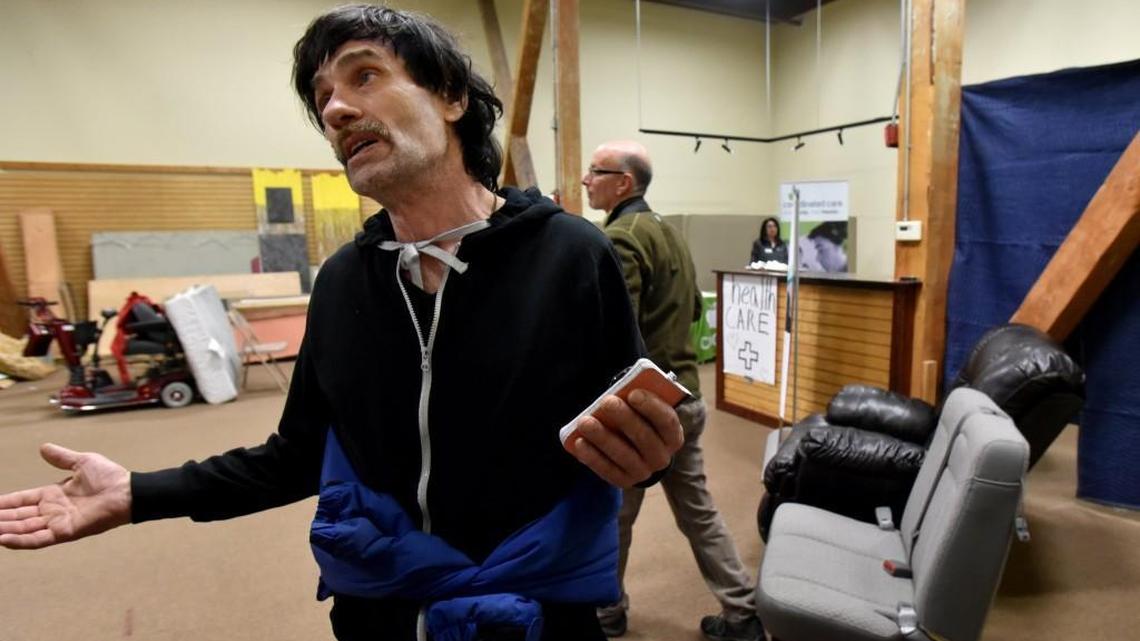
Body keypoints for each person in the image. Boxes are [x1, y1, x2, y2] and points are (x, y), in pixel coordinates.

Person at [0, 7, 685, 641]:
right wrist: (137, 493)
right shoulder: (340, 282)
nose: (336, 108)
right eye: (323, 97)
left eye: (364, 75)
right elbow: (294, 456)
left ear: (451, 98)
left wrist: (651, 456)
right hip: (375, 610)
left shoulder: (571, 253)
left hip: (535, 614)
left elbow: (627, 425)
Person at [582, 140, 765, 641]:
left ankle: (606, 613)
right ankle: (742, 613)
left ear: (623, 182)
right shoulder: (667, 230)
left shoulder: (620, 237)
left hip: (645, 406)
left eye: (594, 172)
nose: (584, 181)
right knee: (699, 513)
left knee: (613, 517)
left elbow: (620, 333)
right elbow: (693, 313)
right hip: (687, 396)